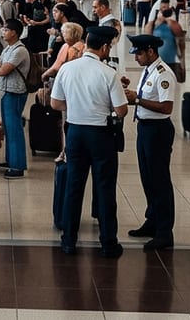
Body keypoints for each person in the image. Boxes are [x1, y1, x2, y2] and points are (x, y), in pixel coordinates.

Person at [51, 26, 126, 258]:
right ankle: (108, 243)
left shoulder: (67, 68)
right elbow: (121, 110)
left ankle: (68, 241)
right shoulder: (108, 73)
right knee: (104, 188)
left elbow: (55, 103)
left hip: (75, 132)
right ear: (104, 47)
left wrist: (76, 106)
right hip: (101, 135)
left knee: (74, 187)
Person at [123, 34, 176, 251]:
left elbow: (166, 107)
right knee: (147, 178)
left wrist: (136, 99)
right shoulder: (148, 70)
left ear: (151, 52)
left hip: (158, 131)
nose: (136, 58)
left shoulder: (164, 74)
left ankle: (164, 231)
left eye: (139, 54)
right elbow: (147, 96)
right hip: (145, 128)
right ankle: (152, 220)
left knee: (160, 181)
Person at [0, 18, 31, 179]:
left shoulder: (20, 50)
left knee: (14, 129)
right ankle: (10, 159)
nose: (3, 31)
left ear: (14, 32)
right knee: (8, 128)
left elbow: (2, 70)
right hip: (5, 90)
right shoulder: (8, 49)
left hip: (15, 92)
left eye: (6, 29)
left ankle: (17, 165)